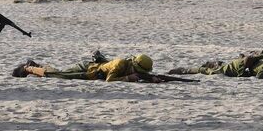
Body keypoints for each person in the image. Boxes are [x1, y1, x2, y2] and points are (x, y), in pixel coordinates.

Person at [169, 42, 263, 79]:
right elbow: (260, 75)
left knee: (218, 66)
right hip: (235, 69)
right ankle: (183, 70)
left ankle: (215, 63)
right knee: (210, 71)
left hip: (243, 65)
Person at [11, 51, 162, 82]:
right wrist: (128, 78)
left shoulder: (129, 64)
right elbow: (110, 79)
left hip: (90, 68)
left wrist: (151, 79)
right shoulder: (121, 64)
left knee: (59, 72)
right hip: (88, 71)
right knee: (57, 75)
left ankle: (35, 65)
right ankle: (28, 68)